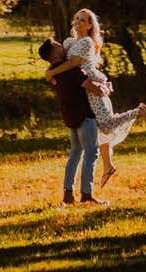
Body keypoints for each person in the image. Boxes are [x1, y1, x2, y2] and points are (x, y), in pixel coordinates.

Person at [44, 8, 146, 189]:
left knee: (106, 125)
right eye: (76, 18)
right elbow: (59, 58)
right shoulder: (68, 41)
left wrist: (50, 72)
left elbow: (72, 64)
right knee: (96, 132)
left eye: (82, 20)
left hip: (91, 90)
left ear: (89, 25)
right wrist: (52, 71)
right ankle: (108, 167)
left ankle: (139, 111)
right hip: (82, 91)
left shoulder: (87, 42)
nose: (78, 22)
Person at [39, 37, 107, 205]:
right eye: (57, 45)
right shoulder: (72, 71)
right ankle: (86, 194)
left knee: (75, 153)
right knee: (91, 153)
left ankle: (68, 193)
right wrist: (106, 88)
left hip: (69, 118)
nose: (62, 46)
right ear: (54, 54)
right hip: (84, 116)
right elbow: (95, 89)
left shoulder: (52, 73)